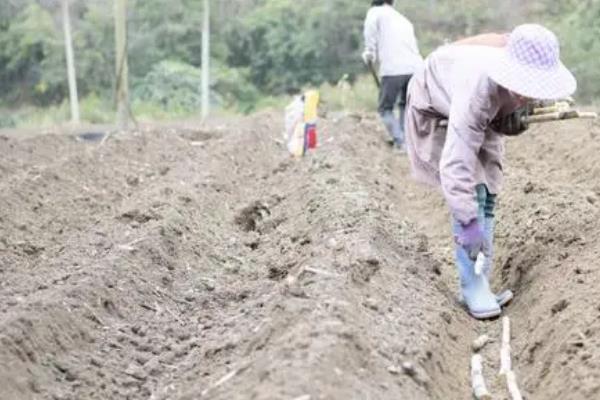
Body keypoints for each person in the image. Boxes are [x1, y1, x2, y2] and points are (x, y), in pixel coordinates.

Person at [404, 24, 576, 319]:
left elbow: (505, 114)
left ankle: (481, 279)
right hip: (438, 106)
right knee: (472, 189)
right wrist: (468, 223)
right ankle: (470, 284)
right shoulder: (476, 89)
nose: (526, 94)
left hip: (482, 101)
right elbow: (456, 163)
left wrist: (510, 119)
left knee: (489, 187)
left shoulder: (523, 73)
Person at [362, 0, 423, 150]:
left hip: (393, 69)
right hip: (415, 68)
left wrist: (369, 54)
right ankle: (407, 141)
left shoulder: (375, 13)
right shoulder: (404, 19)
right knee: (406, 105)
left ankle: (400, 140)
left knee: (385, 108)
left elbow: (370, 36)